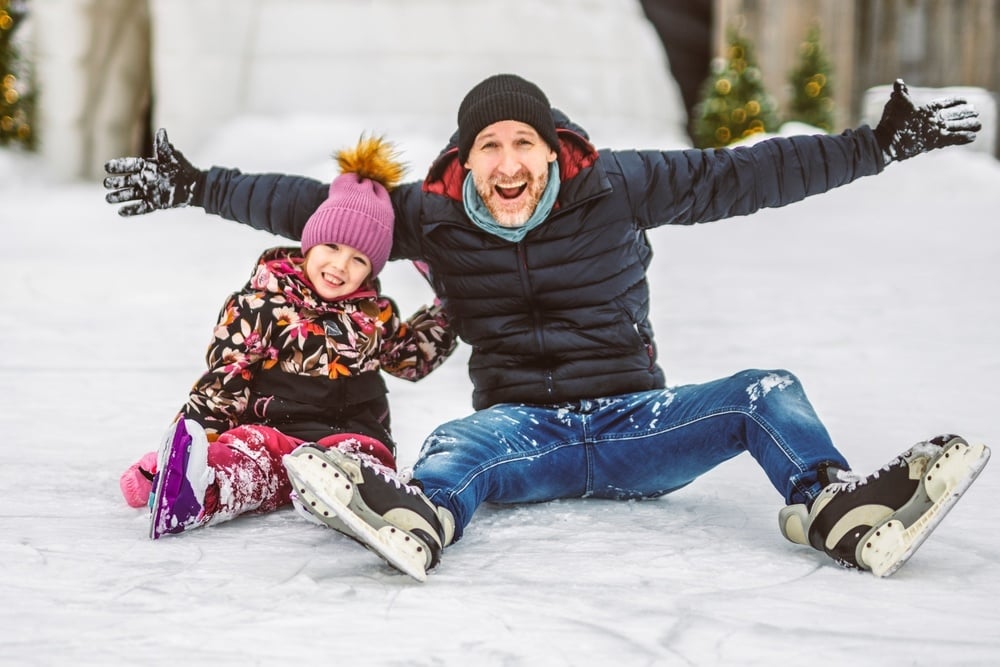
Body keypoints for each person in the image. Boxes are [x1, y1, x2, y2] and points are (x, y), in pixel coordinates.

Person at [105, 75, 989, 579]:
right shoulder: (437, 213)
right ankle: (419, 518)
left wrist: (873, 145)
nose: (506, 161)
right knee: (456, 442)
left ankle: (834, 507)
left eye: (520, 141)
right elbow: (310, 206)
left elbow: (744, 174)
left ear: (550, 147)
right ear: (465, 161)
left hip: (639, 423)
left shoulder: (618, 184)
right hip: (519, 428)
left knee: (768, 392)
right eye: (487, 146)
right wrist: (196, 183)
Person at [114, 136, 456, 540]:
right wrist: (191, 442)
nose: (340, 265)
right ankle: (193, 486)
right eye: (331, 246)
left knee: (362, 465)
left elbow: (413, 357)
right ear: (309, 242)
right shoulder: (263, 304)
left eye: (359, 259)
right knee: (248, 458)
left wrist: (451, 305)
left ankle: (390, 513)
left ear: (372, 269)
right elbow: (226, 379)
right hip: (275, 434)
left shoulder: (375, 315)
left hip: (352, 439)